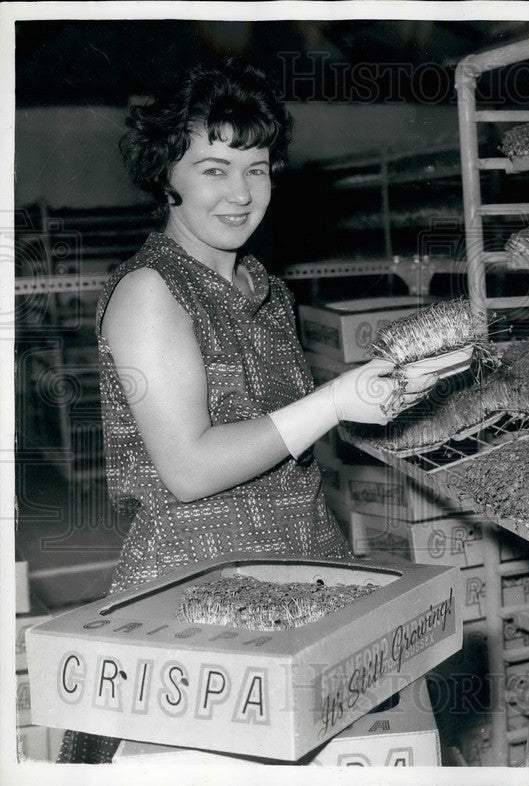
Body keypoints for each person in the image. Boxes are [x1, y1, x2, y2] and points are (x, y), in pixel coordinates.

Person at [57, 60, 435, 763]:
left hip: (303, 576)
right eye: (213, 168)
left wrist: (375, 400)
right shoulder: (150, 291)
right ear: (166, 175)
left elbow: (280, 438)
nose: (240, 193)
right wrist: (332, 401)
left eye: (256, 168)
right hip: (197, 601)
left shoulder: (269, 291)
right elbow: (190, 468)